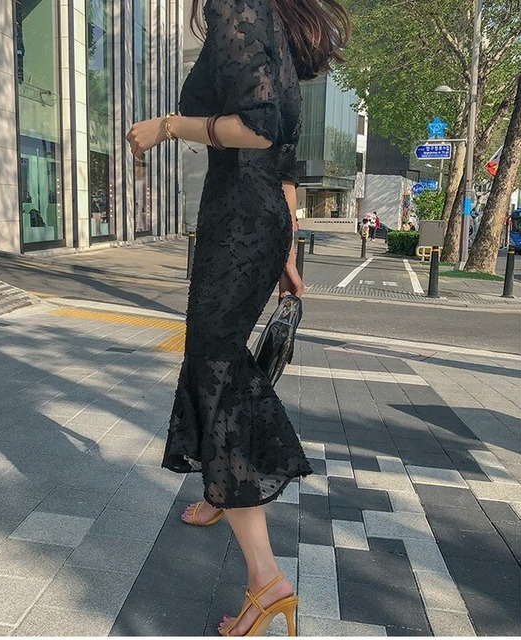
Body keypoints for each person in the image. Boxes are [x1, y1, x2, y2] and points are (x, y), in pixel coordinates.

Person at [126, 0, 349, 635]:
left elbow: (259, 127)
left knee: (217, 368)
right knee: (213, 357)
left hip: (238, 220)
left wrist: (168, 126)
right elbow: (284, 154)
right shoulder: (265, 20)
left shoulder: (240, 7)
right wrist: (287, 250)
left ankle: (265, 576)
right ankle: (220, 492)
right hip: (257, 219)